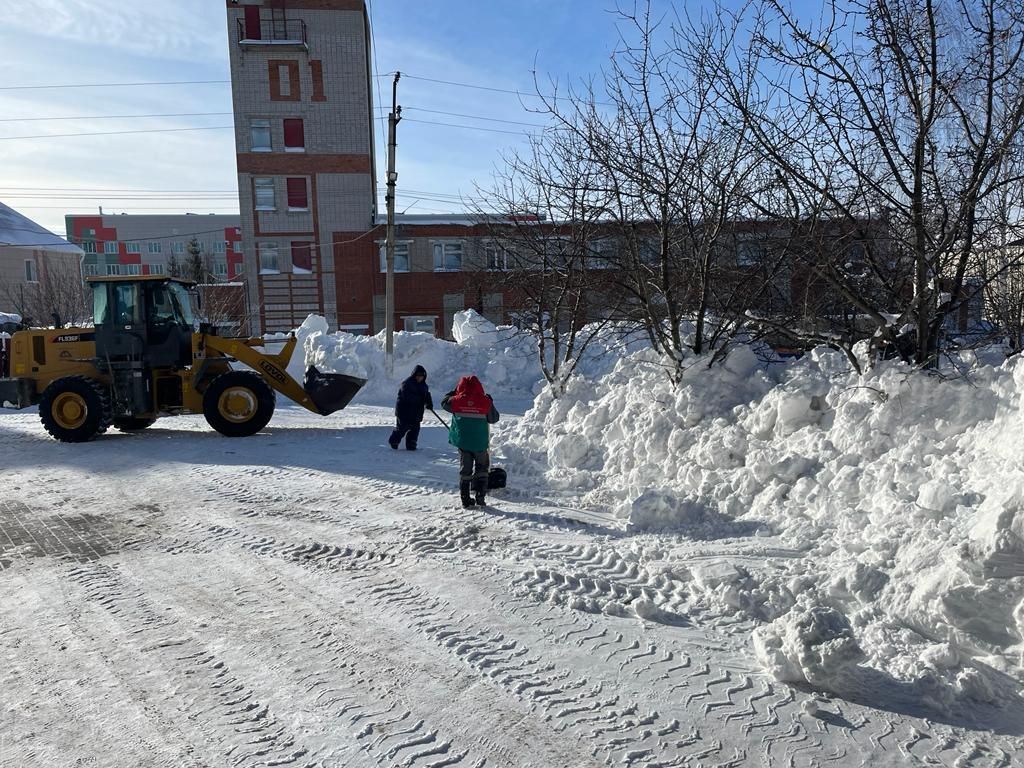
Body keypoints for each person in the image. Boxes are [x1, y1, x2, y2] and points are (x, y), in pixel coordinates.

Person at [441, 375, 500, 508]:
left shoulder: (455, 401)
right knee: (482, 469)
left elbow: (444, 402)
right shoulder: (485, 401)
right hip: (480, 443)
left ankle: (465, 499)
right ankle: (480, 497)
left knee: (465, 471)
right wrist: (489, 401)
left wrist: (455, 392)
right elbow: (494, 418)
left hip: (464, 443)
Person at [389, 365, 432, 450]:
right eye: (418, 376)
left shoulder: (424, 386)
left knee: (415, 428)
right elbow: (407, 397)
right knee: (402, 427)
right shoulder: (407, 384)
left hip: (416, 412)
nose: (419, 378)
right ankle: (394, 440)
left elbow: (426, 395)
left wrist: (429, 402)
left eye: (421, 376)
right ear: (414, 375)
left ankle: (412, 443)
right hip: (404, 411)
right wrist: (421, 399)